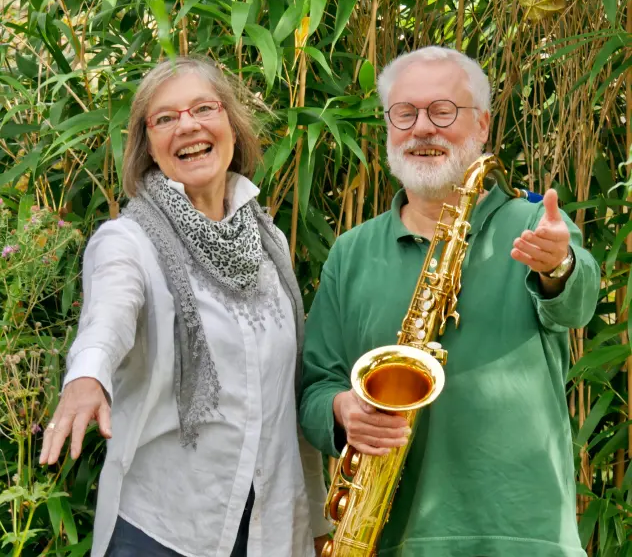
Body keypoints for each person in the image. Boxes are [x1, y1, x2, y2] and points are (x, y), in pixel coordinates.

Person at [299, 46, 600, 557]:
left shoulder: (533, 224)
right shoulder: (351, 252)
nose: (422, 129)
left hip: (521, 540)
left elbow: (578, 302)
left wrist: (558, 263)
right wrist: (343, 409)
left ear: (482, 126)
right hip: (389, 539)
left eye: (443, 112)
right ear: (389, 126)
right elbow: (314, 387)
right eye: (405, 113)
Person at [39, 56, 331, 557]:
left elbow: (288, 396)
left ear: (232, 127)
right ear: (148, 145)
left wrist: (316, 513)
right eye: (166, 118)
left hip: (272, 527)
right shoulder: (127, 241)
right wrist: (88, 375)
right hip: (167, 527)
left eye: (203, 108)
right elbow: (107, 315)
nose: (188, 126)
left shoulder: (270, 243)